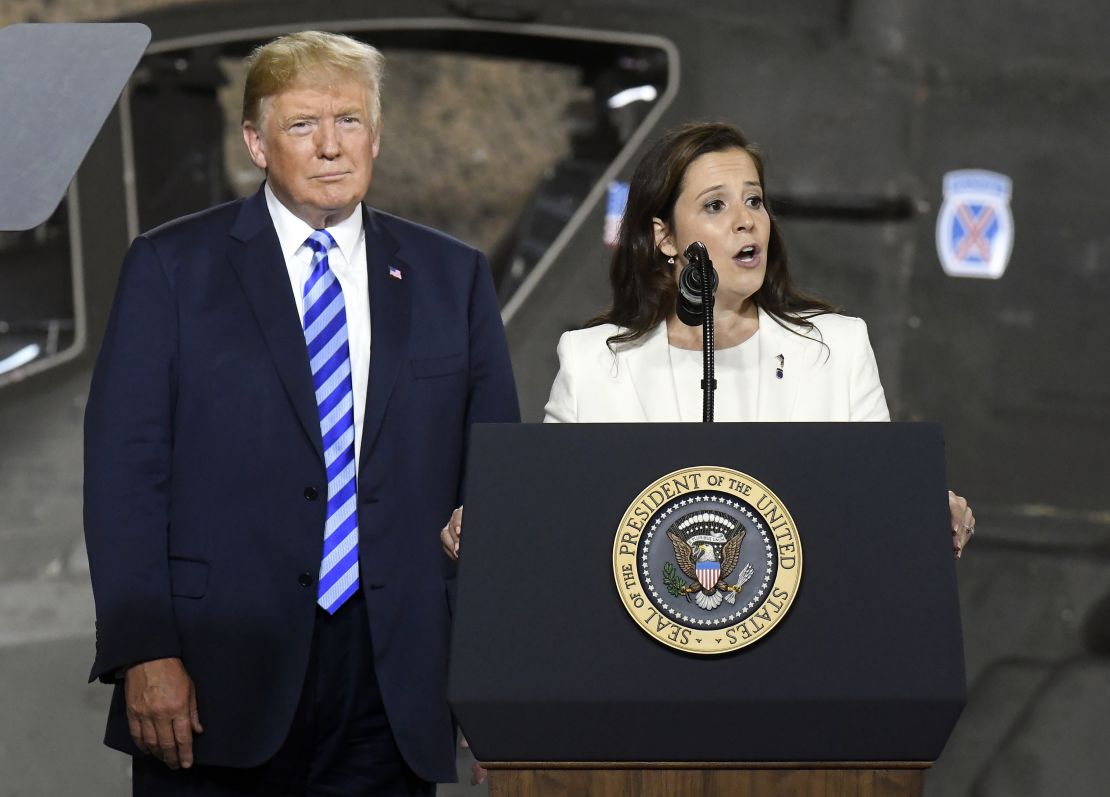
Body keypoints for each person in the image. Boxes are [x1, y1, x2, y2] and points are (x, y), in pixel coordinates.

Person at [84, 30, 519, 796]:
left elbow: (498, 487)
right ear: (255, 141)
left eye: (349, 121)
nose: (329, 146)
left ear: (377, 136)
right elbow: (125, 474)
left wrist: (497, 680)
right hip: (215, 675)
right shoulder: (170, 268)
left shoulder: (453, 278)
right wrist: (144, 649)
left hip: (393, 682)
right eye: (301, 125)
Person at [443, 121, 971, 563]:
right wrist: (494, 522)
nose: (746, 221)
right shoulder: (593, 361)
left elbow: (881, 499)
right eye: (715, 206)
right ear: (665, 238)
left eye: (754, 201)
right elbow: (551, 511)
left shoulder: (835, 348)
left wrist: (926, 512)